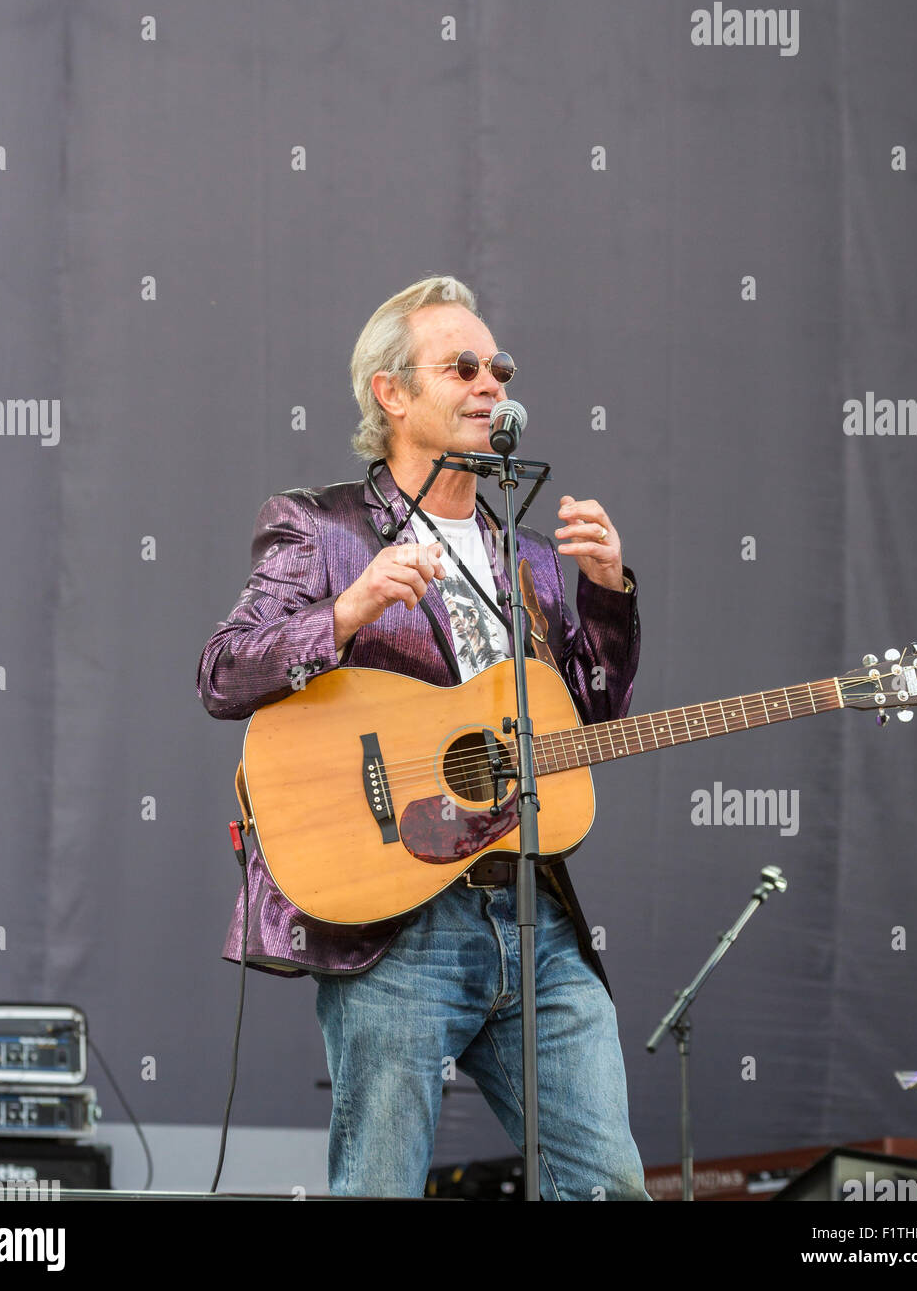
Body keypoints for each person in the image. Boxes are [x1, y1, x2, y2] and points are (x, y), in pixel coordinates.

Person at [197, 275, 649, 1200]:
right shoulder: (321, 526)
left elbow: (586, 727)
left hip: (535, 914)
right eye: (465, 366)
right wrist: (346, 610)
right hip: (397, 923)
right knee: (380, 1186)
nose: (493, 385)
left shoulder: (528, 557)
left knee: (606, 1184)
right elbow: (224, 672)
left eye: (501, 368)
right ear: (392, 393)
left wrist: (606, 595)